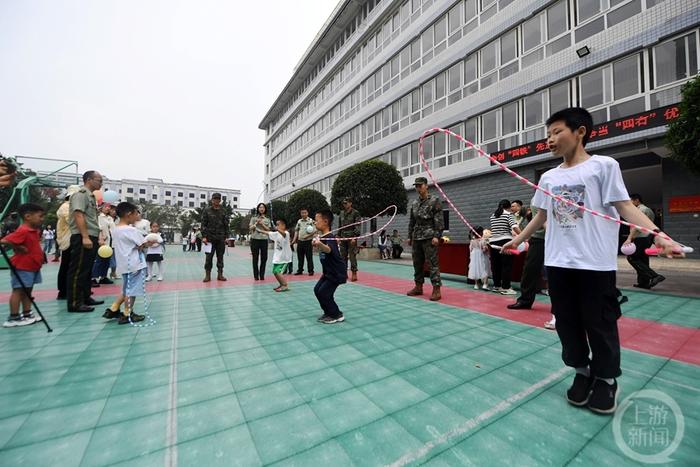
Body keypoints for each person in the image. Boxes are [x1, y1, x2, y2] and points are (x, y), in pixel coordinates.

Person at [502, 107, 680, 414]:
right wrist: (517, 240)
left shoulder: (603, 166)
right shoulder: (548, 177)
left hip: (595, 264)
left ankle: (607, 378)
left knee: (600, 323)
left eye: (557, 132)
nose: (550, 139)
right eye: (547, 135)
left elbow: (624, 206)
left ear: (580, 131)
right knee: (567, 324)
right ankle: (582, 372)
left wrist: (657, 234)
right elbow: (541, 216)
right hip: (558, 262)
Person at [102, 202, 154, 324]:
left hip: (124, 264)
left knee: (126, 288)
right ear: (129, 214)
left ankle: (113, 308)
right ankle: (127, 313)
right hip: (135, 264)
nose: (137, 216)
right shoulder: (131, 230)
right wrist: (150, 242)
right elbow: (142, 244)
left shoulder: (115, 229)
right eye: (136, 213)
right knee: (132, 291)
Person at [1, 203, 45, 327]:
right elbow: (4, 240)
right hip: (22, 266)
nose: (42, 219)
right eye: (40, 216)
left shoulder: (33, 230)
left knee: (28, 290)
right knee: (18, 291)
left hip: (32, 266)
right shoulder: (23, 230)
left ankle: (27, 313)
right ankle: (13, 317)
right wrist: (17, 246)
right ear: (27, 216)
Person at [66, 171, 105, 312]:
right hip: (83, 236)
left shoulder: (90, 196)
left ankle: (85, 296)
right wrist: (85, 236)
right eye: (98, 180)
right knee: (78, 270)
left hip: (91, 235)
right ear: (89, 180)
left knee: (87, 269)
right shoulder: (80, 195)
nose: (100, 183)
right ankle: (75, 302)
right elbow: (78, 214)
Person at [406, 177, 444, 301]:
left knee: (432, 263)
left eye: (420, 185)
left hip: (429, 236)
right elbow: (412, 221)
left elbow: (439, 220)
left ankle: (436, 289)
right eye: (416, 186)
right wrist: (409, 236)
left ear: (426, 186)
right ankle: (418, 286)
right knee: (417, 263)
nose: (418, 188)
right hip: (417, 236)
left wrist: (436, 236)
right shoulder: (415, 203)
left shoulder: (434, 200)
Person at [312, 209, 347, 324]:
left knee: (324, 292)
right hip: (328, 272)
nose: (314, 222)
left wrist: (320, 244)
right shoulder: (323, 236)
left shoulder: (330, 237)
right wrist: (317, 244)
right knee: (317, 290)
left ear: (325, 221)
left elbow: (328, 250)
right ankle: (328, 312)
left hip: (336, 273)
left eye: (316, 220)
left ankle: (336, 314)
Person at [508, 205, 545, 309]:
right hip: (537, 238)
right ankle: (525, 300)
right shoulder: (535, 200)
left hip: (554, 238)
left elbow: (543, 219)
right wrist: (517, 241)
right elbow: (538, 220)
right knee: (529, 269)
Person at [624, 194, 664, 289]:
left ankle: (654, 276)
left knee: (632, 258)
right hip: (647, 237)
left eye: (631, 201)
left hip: (640, 238)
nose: (630, 204)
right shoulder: (649, 210)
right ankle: (643, 283)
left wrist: (629, 238)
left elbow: (636, 225)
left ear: (637, 200)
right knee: (642, 259)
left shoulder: (640, 210)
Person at [488, 199, 521, 295]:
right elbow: (514, 227)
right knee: (507, 265)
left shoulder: (493, 215)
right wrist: (524, 236)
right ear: (509, 207)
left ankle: (497, 286)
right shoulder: (508, 215)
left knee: (496, 266)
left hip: (493, 243)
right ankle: (506, 287)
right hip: (505, 242)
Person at [56, 185, 80, 299]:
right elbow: (73, 221)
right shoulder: (66, 207)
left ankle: (70, 290)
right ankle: (63, 291)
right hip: (68, 240)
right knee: (66, 266)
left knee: (72, 266)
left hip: (73, 239)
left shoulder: (71, 207)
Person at [256, 218, 292, 292]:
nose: (277, 226)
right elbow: (268, 232)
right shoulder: (276, 234)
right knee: (274, 271)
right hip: (277, 257)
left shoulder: (286, 233)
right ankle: (281, 284)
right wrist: (259, 230)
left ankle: (285, 285)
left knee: (277, 272)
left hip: (284, 258)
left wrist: (277, 229)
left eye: (279, 224)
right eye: (277, 225)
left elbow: (283, 234)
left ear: (284, 225)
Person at [201, 193, 230, 282]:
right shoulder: (207, 210)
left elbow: (226, 225)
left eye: (218, 199)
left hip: (221, 238)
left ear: (220, 200)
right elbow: (203, 224)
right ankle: (207, 275)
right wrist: (204, 237)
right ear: (212, 200)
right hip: (209, 239)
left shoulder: (223, 211)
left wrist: (227, 237)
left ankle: (220, 274)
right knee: (209, 257)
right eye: (215, 199)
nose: (216, 200)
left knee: (220, 257)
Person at [91, 203, 115, 286]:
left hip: (110, 241)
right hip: (101, 241)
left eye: (109, 207)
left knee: (107, 260)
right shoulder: (99, 217)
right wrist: (100, 238)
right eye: (106, 207)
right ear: (101, 208)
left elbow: (113, 229)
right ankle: (93, 278)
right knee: (98, 260)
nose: (108, 208)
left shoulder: (110, 218)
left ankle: (103, 277)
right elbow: (99, 228)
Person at [338, 197, 361, 282]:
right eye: (344, 203)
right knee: (342, 257)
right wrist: (338, 236)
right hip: (343, 237)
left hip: (351, 237)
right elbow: (340, 226)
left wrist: (355, 237)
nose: (345, 205)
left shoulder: (355, 213)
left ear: (350, 203)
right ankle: (344, 274)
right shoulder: (341, 213)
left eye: (346, 203)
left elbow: (358, 225)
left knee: (352, 256)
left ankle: (354, 273)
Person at [249, 203, 271, 280]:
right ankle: (256, 275)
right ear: (258, 209)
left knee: (264, 258)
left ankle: (262, 275)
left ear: (265, 209)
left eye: (263, 207)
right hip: (255, 239)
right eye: (260, 207)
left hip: (264, 240)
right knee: (255, 258)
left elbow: (268, 229)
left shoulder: (267, 219)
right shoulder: (253, 218)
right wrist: (256, 223)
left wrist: (262, 223)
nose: (261, 209)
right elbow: (250, 228)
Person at [292, 208, 315, 276]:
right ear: (300, 213)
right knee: (300, 257)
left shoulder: (311, 221)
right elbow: (296, 230)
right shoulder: (299, 221)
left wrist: (307, 236)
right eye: (302, 213)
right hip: (300, 241)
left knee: (309, 257)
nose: (304, 214)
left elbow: (314, 230)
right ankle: (300, 270)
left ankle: (311, 271)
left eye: (305, 212)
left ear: (307, 213)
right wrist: (294, 240)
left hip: (308, 241)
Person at [467, 226, 490, 290]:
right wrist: (486, 248)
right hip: (481, 256)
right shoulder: (483, 240)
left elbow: (470, 250)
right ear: (480, 233)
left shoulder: (472, 241)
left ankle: (476, 284)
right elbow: (484, 250)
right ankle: (485, 284)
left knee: (475, 269)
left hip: (474, 256)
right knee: (485, 268)